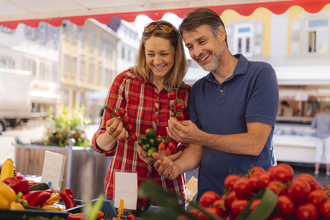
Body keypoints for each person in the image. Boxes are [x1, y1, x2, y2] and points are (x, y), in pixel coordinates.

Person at [153, 8, 279, 201]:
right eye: (190, 46)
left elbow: (255, 144)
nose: (196, 52)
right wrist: (177, 167)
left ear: (221, 33)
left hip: (255, 200)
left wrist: (201, 137)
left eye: (201, 41)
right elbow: (196, 149)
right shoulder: (198, 90)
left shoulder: (261, 74)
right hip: (209, 200)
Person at [91, 20, 191, 215]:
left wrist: (168, 159)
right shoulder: (125, 82)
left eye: (164, 54)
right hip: (123, 192)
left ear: (176, 54)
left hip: (167, 195)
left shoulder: (186, 94)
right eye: (150, 54)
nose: (156, 61)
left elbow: (190, 148)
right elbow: (98, 143)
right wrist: (111, 135)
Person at [311, 105, 330, 177]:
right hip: (328, 137)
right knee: (328, 154)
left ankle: (316, 171)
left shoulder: (317, 115)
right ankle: (328, 172)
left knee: (318, 153)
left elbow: (312, 126)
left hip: (318, 137)